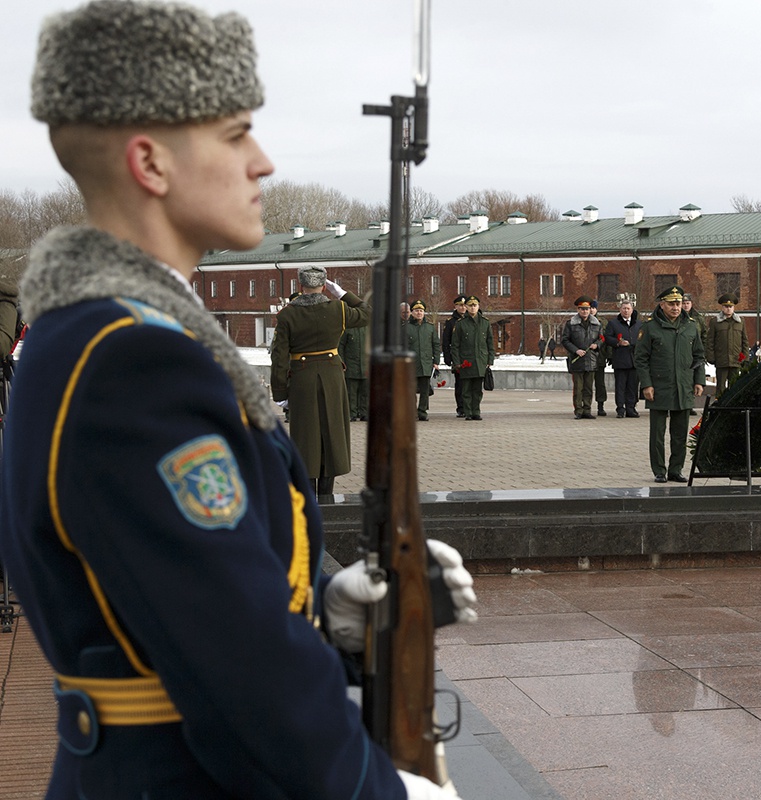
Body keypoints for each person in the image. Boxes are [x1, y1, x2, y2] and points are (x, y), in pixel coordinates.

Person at [0, 3, 473, 798]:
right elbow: (239, 662)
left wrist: (326, 603)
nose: (263, 163)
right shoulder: (133, 362)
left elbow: (180, 579)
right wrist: (377, 792)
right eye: (234, 134)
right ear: (150, 165)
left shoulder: (107, 336)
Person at [271, 265, 369, 496]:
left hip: (302, 378)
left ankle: (307, 497)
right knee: (332, 433)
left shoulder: (287, 314)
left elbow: (279, 356)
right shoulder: (339, 309)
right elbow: (369, 313)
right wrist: (343, 294)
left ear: (300, 286)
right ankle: (326, 495)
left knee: (305, 436)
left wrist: (280, 392)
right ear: (324, 286)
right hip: (332, 376)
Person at [634, 285, 705, 483]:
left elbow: (699, 355)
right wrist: (646, 384)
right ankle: (659, 470)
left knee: (680, 432)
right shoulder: (650, 328)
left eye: (679, 303)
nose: (676, 307)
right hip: (659, 387)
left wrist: (699, 380)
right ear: (662, 304)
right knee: (657, 433)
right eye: (672, 304)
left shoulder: (691, 326)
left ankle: (676, 469)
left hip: (683, 386)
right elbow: (640, 358)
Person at [450, 295, 494, 420]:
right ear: (467, 307)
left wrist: (490, 360)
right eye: (470, 306)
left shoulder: (485, 323)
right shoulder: (461, 324)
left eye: (475, 305)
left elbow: (490, 343)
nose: (473, 308)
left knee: (477, 390)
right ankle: (468, 412)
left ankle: (476, 412)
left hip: (480, 360)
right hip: (466, 361)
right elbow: (455, 345)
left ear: (478, 306)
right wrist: (457, 362)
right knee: (466, 389)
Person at [562, 295, 602, 419]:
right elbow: (565, 340)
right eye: (582, 309)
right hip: (577, 360)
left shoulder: (596, 324)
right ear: (578, 310)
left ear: (590, 310)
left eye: (587, 309)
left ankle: (587, 410)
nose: (584, 311)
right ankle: (578, 410)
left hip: (591, 360)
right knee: (578, 388)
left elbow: (602, 338)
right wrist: (576, 350)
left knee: (588, 388)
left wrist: (597, 345)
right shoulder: (571, 324)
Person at [604, 297, 641, 418]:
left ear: (632, 310)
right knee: (620, 386)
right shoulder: (613, 323)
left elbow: (643, 338)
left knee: (632, 386)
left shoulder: (638, 324)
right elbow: (607, 338)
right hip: (620, 359)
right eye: (624, 308)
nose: (626, 311)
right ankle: (620, 408)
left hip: (634, 360)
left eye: (628, 308)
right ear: (620, 310)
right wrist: (618, 342)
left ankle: (631, 408)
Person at [705, 293, 749, 394]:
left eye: (731, 307)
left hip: (736, 360)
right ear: (722, 307)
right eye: (726, 306)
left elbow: (745, 341)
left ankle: (732, 407)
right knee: (720, 387)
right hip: (721, 359)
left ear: (734, 307)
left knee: (734, 386)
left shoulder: (740, 322)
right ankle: (720, 406)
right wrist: (711, 356)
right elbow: (710, 341)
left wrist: (745, 357)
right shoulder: (715, 322)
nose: (728, 309)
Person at [407, 299, 440, 421]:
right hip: (411, 365)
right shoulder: (406, 328)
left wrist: (436, 361)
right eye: (416, 311)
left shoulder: (430, 328)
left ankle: (422, 411)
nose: (419, 313)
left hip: (426, 363)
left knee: (425, 390)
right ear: (412, 312)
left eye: (421, 311)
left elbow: (436, 345)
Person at [441, 294, 467, 417]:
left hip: (471, 356)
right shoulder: (451, 322)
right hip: (458, 357)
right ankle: (461, 407)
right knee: (460, 384)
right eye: (460, 305)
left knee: (471, 384)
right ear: (455, 306)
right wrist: (447, 356)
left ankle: (470, 406)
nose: (462, 308)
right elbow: (446, 341)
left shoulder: (471, 320)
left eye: (464, 305)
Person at [339, 321, 368, 422]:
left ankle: (364, 413)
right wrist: (342, 361)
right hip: (351, 365)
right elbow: (341, 346)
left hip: (366, 365)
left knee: (365, 391)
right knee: (351, 392)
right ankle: (352, 413)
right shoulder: (347, 329)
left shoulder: (368, 329)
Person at [589, 300, 610, 415]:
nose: (591, 310)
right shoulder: (582, 321)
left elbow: (606, 339)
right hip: (586, 357)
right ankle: (585, 406)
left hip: (599, 357)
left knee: (600, 383)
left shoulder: (603, 322)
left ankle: (600, 406)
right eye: (590, 307)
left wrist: (608, 355)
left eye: (593, 308)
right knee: (586, 384)